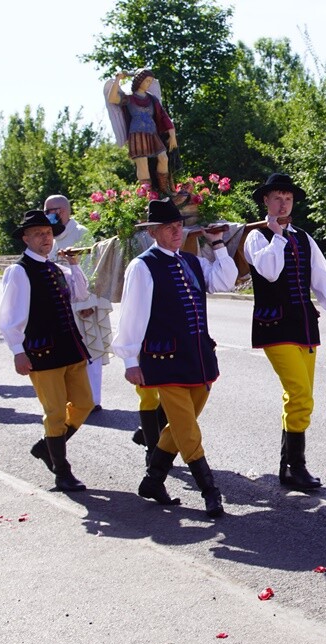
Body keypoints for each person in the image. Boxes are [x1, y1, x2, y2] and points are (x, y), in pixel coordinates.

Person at [112, 198, 238, 518]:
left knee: (182, 425)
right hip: (163, 359)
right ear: (153, 232)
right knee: (187, 427)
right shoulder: (142, 265)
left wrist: (218, 245)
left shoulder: (192, 261)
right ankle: (209, 489)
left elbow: (225, 281)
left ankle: (153, 479)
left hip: (198, 357)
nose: (176, 231)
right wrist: (130, 360)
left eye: (179, 225)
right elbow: (133, 315)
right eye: (169, 227)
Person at [244, 173, 326, 491]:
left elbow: (324, 285)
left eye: (287, 198)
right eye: (276, 198)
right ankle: (295, 466)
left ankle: (288, 466)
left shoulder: (304, 238)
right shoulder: (256, 237)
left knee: (301, 398)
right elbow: (270, 271)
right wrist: (277, 236)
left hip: (305, 325)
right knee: (300, 395)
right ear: (265, 200)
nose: (282, 203)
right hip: (274, 327)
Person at [0, 210, 94, 492]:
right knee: (54, 412)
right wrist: (18, 350)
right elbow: (10, 316)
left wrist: (74, 265)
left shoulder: (57, 268)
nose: (45, 238)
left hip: (71, 348)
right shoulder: (19, 271)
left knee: (84, 403)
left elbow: (80, 295)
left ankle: (46, 447)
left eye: (49, 233)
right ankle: (62, 472)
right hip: (42, 352)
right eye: (39, 234)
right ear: (26, 238)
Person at [45, 194, 113, 412]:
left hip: (81, 302)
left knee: (90, 350)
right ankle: (71, 398)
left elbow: (92, 271)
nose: (48, 216)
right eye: (45, 211)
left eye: (51, 211)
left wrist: (87, 303)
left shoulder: (82, 234)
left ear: (63, 211)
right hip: (58, 304)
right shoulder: (48, 237)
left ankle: (93, 400)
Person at [106, 68, 177, 193]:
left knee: (163, 158)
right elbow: (112, 99)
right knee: (142, 163)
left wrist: (172, 134)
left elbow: (163, 116)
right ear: (139, 81)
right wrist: (118, 79)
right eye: (146, 81)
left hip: (152, 133)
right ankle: (147, 194)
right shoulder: (129, 98)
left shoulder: (152, 99)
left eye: (150, 81)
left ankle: (164, 189)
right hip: (137, 134)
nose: (148, 84)